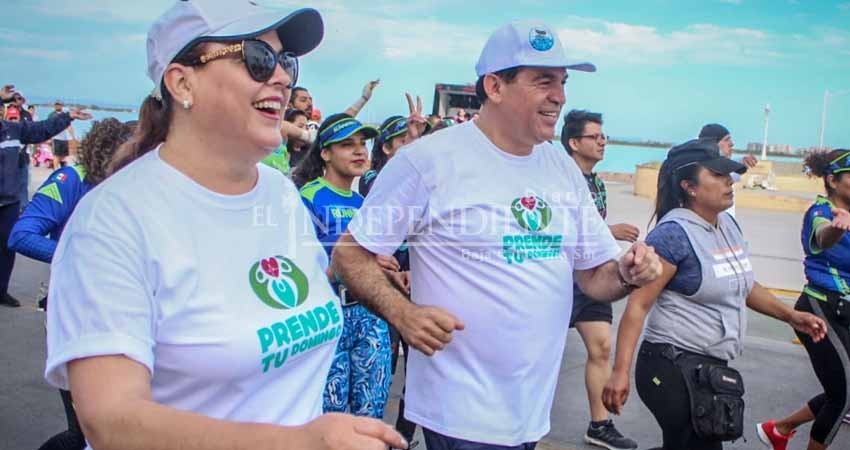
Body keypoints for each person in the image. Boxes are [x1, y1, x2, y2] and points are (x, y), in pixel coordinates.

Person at [42, 2, 407, 450]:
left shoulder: (279, 195)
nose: (283, 77)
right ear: (182, 82)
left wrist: (364, 268)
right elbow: (112, 420)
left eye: (287, 61)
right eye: (258, 58)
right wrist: (296, 443)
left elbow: (294, 299)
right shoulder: (113, 222)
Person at [330, 20, 663, 450]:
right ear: (494, 86)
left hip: (530, 410)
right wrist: (403, 314)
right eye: (543, 81)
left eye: (562, 82)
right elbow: (350, 254)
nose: (559, 96)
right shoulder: (428, 161)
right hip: (459, 410)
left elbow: (594, 276)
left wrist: (627, 274)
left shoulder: (561, 168)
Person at [601, 140, 827, 450]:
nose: (728, 182)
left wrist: (791, 316)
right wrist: (619, 373)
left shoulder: (728, 225)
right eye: (718, 176)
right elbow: (638, 306)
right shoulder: (673, 234)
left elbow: (744, 285)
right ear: (689, 187)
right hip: (670, 367)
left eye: (728, 175)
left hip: (709, 367)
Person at [9, 117, 133, 450]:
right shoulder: (71, 179)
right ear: (110, 151)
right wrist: (81, 257)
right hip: (72, 309)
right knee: (84, 433)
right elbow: (21, 234)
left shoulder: (138, 189)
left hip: (121, 312)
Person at [294, 113, 397, 420]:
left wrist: (386, 268)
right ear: (325, 153)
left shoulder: (362, 202)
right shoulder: (306, 198)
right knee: (329, 417)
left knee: (371, 416)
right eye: (347, 144)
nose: (359, 151)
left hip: (368, 316)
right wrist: (349, 263)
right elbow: (301, 275)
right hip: (328, 317)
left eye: (362, 143)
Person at [756, 149, 850, 450]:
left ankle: (781, 428)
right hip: (822, 309)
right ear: (832, 180)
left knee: (843, 391)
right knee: (843, 396)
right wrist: (836, 228)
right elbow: (822, 236)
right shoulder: (821, 211)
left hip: (844, 310)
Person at [561, 109, 638, 450]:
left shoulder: (597, 183)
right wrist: (611, 231)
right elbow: (559, 229)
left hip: (592, 276)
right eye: (594, 137)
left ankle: (600, 424)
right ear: (574, 143)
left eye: (603, 136)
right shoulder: (560, 180)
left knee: (602, 346)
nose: (602, 142)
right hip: (560, 280)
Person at [0, 99, 89, 308]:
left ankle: (1, 290)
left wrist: (67, 117)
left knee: (5, 250)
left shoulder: (12, 130)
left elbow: (41, 129)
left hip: (9, 200)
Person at [698, 123, 757, 217]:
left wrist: (741, 160)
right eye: (726, 140)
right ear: (713, 144)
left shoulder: (722, 168)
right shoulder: (701, 171)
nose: (732, 144)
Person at [48, 100, 76, 169]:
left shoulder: (65, 115)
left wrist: (73, 137)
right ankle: (55, 170)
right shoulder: (52, 115)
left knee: (63, 156)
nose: (57, 106)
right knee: (56, 155)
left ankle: (61, 168)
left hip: (64, 138)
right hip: (56, 138)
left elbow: (69, 126)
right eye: (56, 105)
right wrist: (49, 138)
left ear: (61, 106)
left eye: (59, 105)